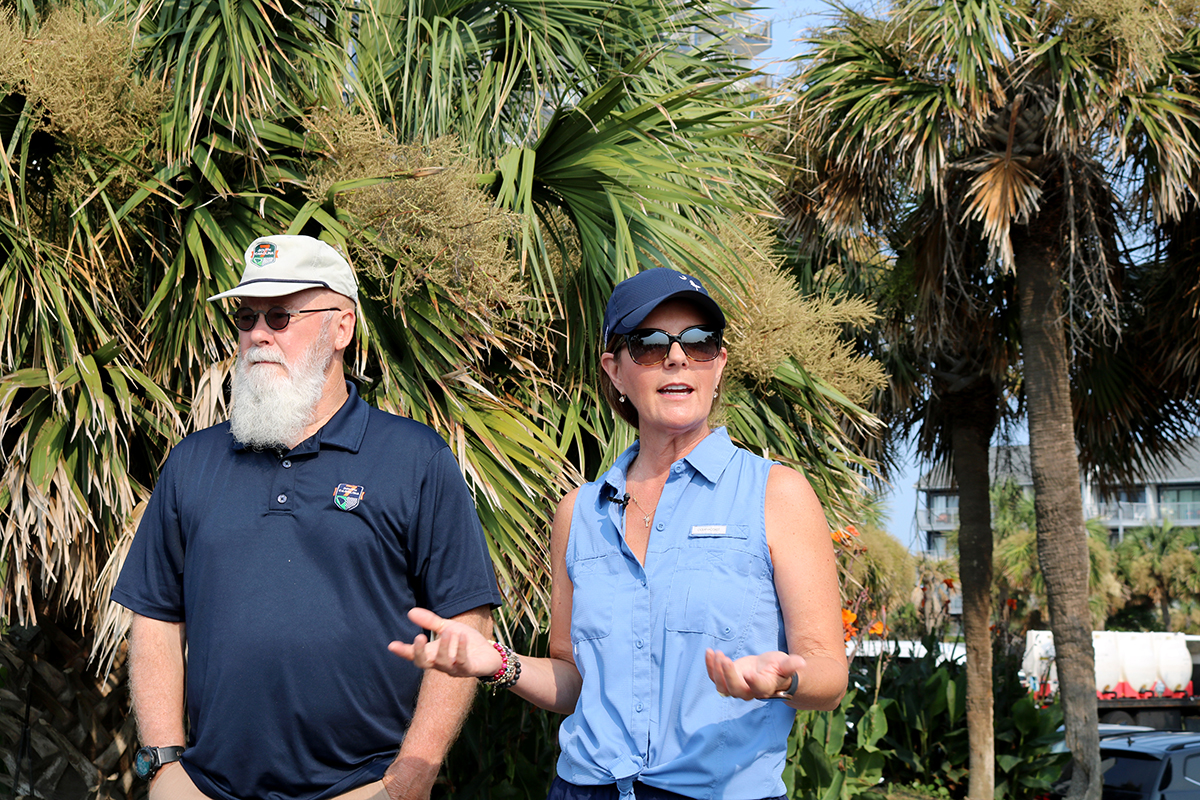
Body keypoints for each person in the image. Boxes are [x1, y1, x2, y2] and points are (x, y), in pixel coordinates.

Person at [389, 268, 848, 800]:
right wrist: (496, 662)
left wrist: (785, 679)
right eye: (650, 344)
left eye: (699, 343)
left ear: (718, 365)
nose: (677, 357)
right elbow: (573, 680)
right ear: (615, 370)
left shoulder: (777, 493)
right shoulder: (578, 513)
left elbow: (829, 677)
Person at [111, 235, 502, 800]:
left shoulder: (415, 458)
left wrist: (410, 777)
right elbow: (155, 617)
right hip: (207, 788)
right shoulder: (193, 462)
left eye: (280, 315)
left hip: (362, 788)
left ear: (341, 327)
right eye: (246, 317)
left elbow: (465, 622)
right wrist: (165, 763)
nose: (258, 335)